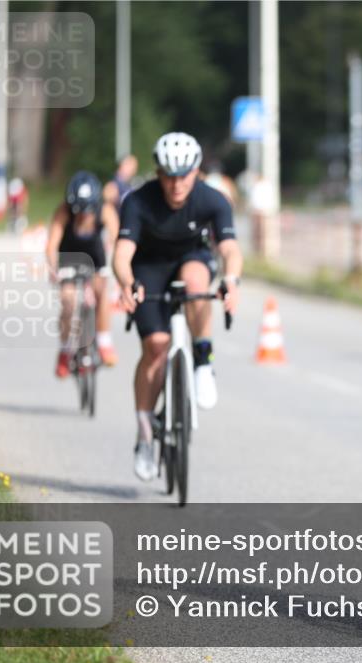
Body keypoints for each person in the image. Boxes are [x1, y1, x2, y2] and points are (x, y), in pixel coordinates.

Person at [113, 132, 243, 481]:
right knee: (155, 347)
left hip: (191, 258)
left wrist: (231, 280)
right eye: (168, 175)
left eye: (183, 175)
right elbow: (122, 254)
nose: (176, 184)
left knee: (197, 283)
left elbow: (230, 249)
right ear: (157, 172)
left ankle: (203, 359)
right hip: (147, 267)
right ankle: (143, 435)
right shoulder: (138, 201)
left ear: (196, 171)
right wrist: (126, 283)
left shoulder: (212, 199)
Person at [46, 171, 120, 374]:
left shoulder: (104, 210)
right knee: (68, 300)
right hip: (69, 257)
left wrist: (117, 266)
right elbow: (51, 245)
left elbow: (117, 239)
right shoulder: (63, 212)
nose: (83, 215)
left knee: (102, 290)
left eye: (87, 210)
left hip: (96, 258)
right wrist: (53, 269)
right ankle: (65, 350)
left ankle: (104, 340)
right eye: (78, 210)